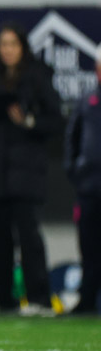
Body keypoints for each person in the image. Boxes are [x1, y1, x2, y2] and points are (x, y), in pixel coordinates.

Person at [0, 22, 63, 317]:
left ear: (22, 47)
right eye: (3, 44)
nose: (7, 50)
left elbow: (56, 120)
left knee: (29, 238)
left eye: (12, 44)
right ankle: (2, 298)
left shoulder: (38, 76)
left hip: (26, 171)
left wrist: (29, 122)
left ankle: (39, 299)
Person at [62, 55, 101, 315]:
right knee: (89, 250)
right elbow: (71, 140)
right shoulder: (87, 103)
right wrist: (76, 171)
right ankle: (86, 301)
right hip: (90, 189)